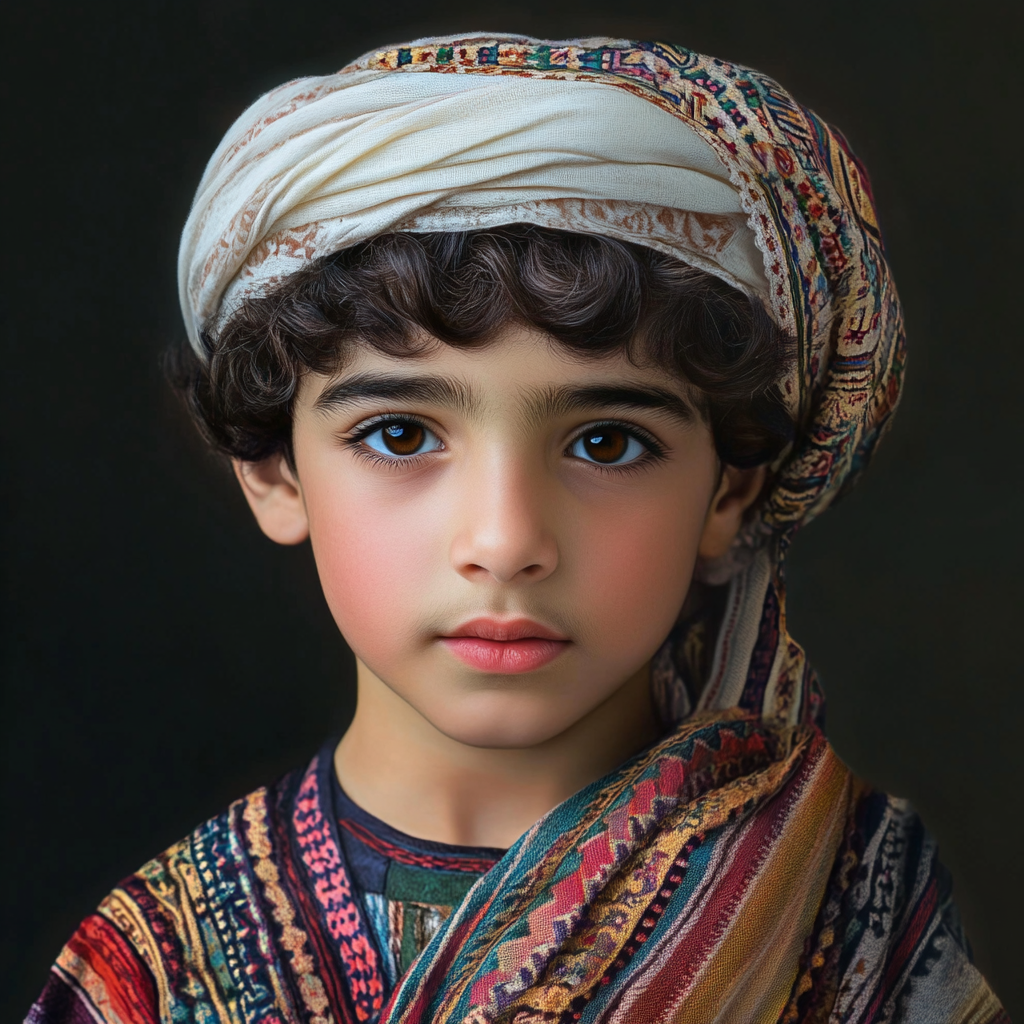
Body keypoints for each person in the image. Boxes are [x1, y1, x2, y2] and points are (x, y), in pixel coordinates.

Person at [26, 34, 1008, 1024]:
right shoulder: (159, 961)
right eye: (400, 433)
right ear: (273, 468)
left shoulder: (845, 901)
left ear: (729, 491)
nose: (504, 540)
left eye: (609, 444)